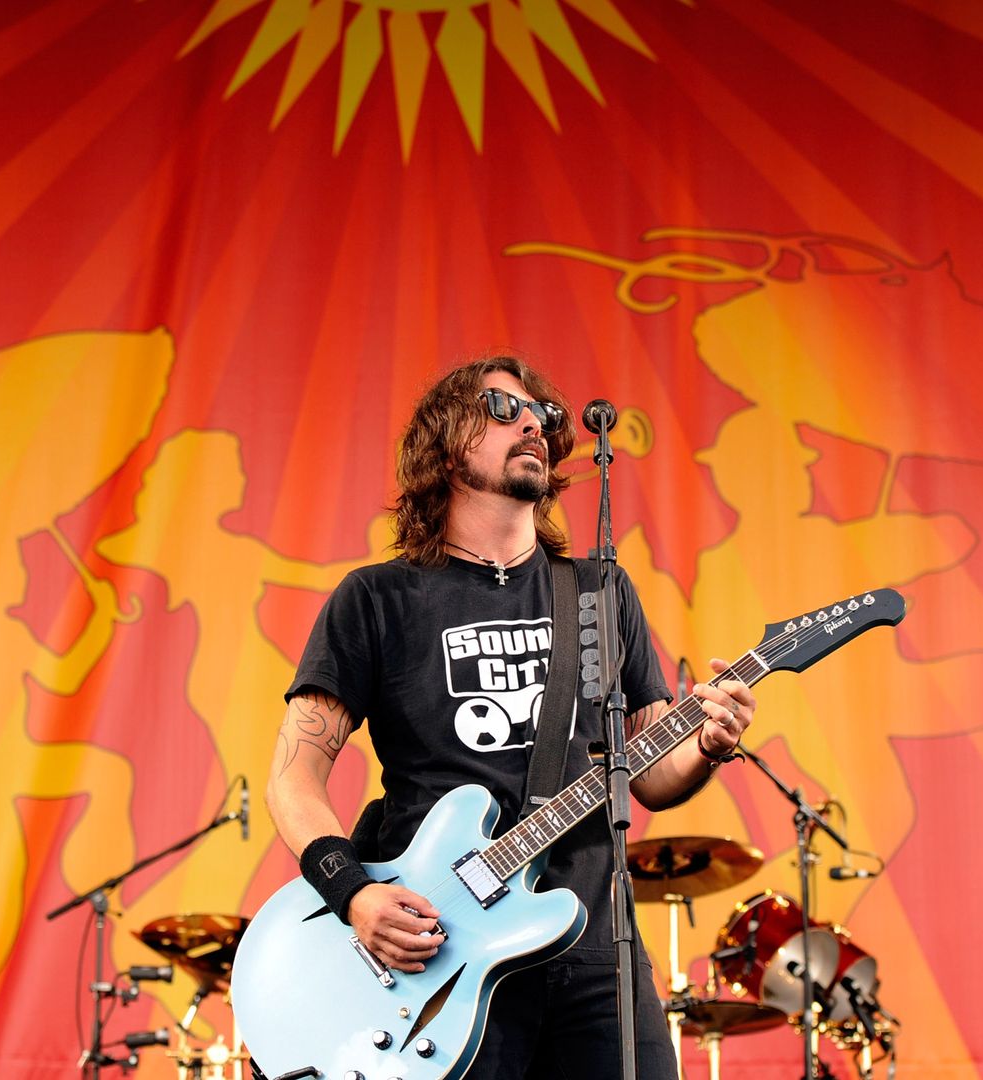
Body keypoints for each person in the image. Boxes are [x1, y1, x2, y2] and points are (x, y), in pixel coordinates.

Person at [263, 355, 758, 1077]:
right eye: (502, 410)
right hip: (440, 953)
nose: (534, 423)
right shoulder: (377, 599)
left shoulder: (598, 591)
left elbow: (651, 775)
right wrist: (355, 894)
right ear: (444, 443)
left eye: (544, 417)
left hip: (593, 948)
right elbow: (293, 778)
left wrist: (708, 743)